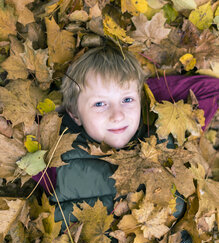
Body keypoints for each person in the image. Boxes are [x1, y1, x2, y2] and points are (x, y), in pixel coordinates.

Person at [33, 45, 219, 232]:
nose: (118, 115)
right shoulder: (57, 154)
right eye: (99, 103)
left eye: (127, 100)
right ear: (74, 114)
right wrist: (59, 111)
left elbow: (212, 90)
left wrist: (145, 93)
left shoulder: (166, 137)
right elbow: (10, 129)